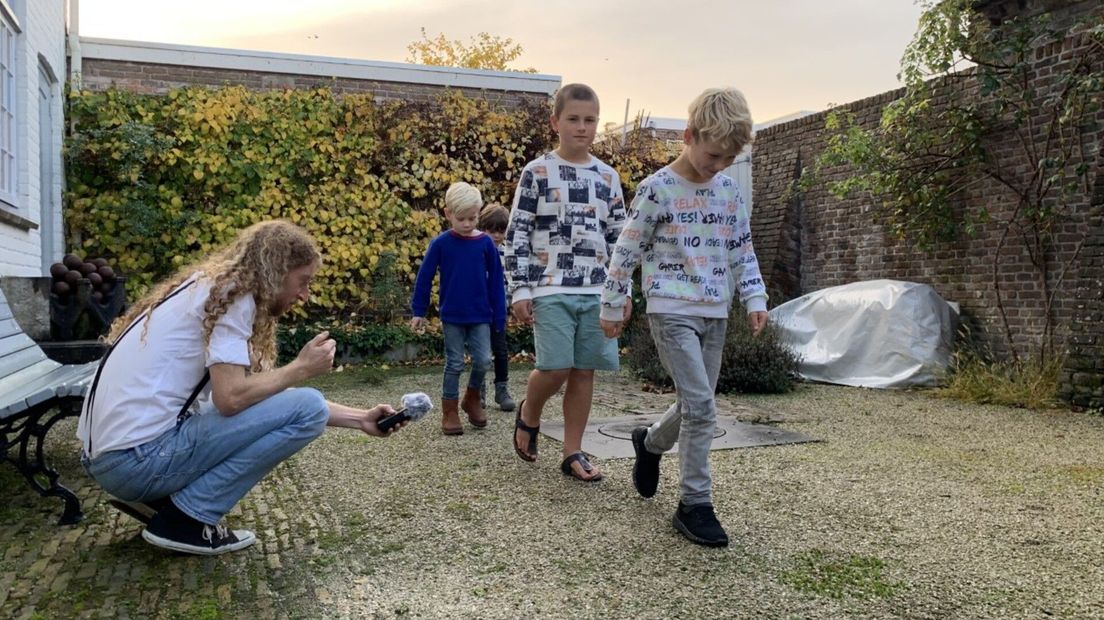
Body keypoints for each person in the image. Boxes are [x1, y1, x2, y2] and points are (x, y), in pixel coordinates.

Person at [77, 220, 406, 556]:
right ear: (277, 272)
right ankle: (187, 518)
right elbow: (231, 399)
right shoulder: (232, 299)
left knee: (305, 406)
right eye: (302, 281)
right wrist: (300, 369)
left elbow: (260, 397)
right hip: (134, 463)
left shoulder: (209, 288)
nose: (305, 295)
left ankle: (167, 504)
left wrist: (360, 418)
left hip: (108, 459)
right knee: (308, 408)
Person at [599, 87, 768, 547]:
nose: (718, 166)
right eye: (713, 155)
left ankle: (650, 443)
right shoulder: (657, 189)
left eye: (729, 159)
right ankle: (695, 503)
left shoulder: (729, 191)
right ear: (688, 136)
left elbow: (741, 249)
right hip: (671, 310)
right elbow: (625, 251)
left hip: (716, 311)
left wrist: (755, 297)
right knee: (703, 408)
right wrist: (613, 304)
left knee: (697, 403)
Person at [505, 83, 629, 482]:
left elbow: (619, 240)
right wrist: (520, 289)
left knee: (584, 372)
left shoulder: (607, 177)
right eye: (573, 119)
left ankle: (573, 451)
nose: (582, 127)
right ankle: (530, 412)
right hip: (549, 287)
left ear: (597, 124)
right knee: (555, 367)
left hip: (596, 291)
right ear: (555, 121)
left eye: (590, 120)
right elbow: (517, 235)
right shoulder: (537, 172)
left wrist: (622, 292)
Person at [410, 182, 507, 435]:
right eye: (461, 218)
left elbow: (496, 281)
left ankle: (472, 398)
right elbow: (425, 276)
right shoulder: (441, 243)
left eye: (472, 218)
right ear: (447, 214)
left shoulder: (486, 244)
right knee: (454, 363)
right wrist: (418, 310)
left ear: (478, 213)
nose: (467, 224)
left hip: (481, 315)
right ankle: (450, 411)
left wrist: (500, 315)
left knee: (484, 360)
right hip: (452, 314)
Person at [477, 202, 517, 412]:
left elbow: (510, 283)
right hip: (478, 313)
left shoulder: (506, 255)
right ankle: (478, 391)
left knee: (500, 352)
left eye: (501, 231)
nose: (496, 236)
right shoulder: (476, 253)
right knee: (481, 354)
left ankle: (502, 389)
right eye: (491, 231)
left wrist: (510, 304)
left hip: (498, 313)